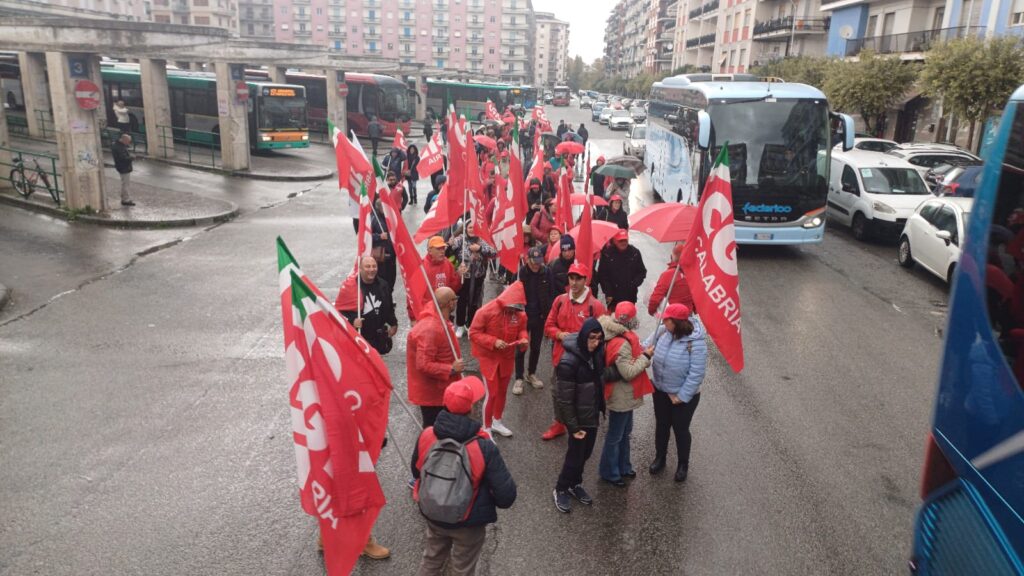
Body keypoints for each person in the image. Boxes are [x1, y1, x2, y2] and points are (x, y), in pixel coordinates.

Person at [412, 376, 517, 576]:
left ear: (444, 404)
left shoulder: (427, 435)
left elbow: (416, 472)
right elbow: (507, 496)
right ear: (470, 409)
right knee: (463, 568)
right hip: (468, 522)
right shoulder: (483, 446)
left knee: (431, 559)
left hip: (434, 513)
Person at [541, 264, 607, 440]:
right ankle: (559, 424)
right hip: (560, 358)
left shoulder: (596, 306)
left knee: (581, 396)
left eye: (578, 278)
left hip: (584, 362)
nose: (574, 282)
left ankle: (580, 426)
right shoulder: (560, 300)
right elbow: (548, 326)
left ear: (586, 280)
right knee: (558, 393)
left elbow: (602, 336)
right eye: (572, 278)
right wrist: (561, 334)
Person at [644, 303, 707, 482]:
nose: (663, 322)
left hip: (684, 396)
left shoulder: (696, 342)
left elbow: (697, 374)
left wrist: (681, 396)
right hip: (660, 390)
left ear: (677, 322)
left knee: (680, 429)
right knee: (662, 425)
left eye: (667, 319)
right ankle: (660, 457)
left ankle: (682, 464)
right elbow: (644, 346)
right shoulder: (663, 331)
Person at [552, 317, 607, 513]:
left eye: (599, 338)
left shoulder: (598, 353)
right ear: (584, 337)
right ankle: (561, 488)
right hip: (578, 418)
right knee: (575, 455)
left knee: (586, 453)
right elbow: (565, 400)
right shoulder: (568, 362)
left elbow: (600, 377)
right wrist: (574, 428)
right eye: (592, 338)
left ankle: (575, 483)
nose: (595, 343)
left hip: (591, 414)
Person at [597, 302, 653, 486]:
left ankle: (623, 466)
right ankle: (610, 472)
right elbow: (628, 373)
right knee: (615, 435)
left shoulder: (614, 334)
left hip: (624, 396)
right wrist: (645, 358)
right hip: (621, 396)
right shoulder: (622, 343)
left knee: (625, 432)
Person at [469, 282, 528, 437]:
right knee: (492, 393)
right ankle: (486, 428)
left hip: (507, 358)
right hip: (489, 358)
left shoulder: (519, 314)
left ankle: (497, 421)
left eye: (517, 308)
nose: (514, 311)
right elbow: (474, 333)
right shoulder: (486, 311)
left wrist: (523, 339)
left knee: (502, 392)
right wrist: (493, 341)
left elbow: (522, 330)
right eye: (512, 307)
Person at [408, 287, 464, 428]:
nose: (456, 303)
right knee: (432, 431)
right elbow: (423, 364)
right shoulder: (431, 329)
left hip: (440, 390)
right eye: (454, 300)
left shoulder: (438, 318)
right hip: (433, 395)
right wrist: (451, 368)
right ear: (450, 304)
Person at [335, 256, 398, 355]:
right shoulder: (350, 287)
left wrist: (394, 323)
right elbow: (339, 312)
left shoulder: (383, 285)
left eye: (374, 266)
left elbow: (388, 306)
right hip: (359, 338)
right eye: (367, 266)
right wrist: (353, 321)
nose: (371, 269)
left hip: (378, 337)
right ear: (360, 268)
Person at [514, 246, 555, 395]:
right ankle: (518, 377)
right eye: (534, 262)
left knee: (536, 347)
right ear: (528, 260)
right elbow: (513, 293)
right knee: (521, 347)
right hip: (524, 316)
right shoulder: (521, 272)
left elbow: (552, 292)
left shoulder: (546, 272)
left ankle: (531, 373)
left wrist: (548, 310)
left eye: (539, 261)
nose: (537, 265)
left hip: (540, 316)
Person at [451, 221, 496, 337]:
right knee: (462, 301)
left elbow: (493, 252)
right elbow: (451, 246)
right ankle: (460, 325)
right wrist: (450, 242)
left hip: (478, 277)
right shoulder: (461, 239)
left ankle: (470, 325)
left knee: (475, 302)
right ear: (465, 228)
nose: (472, 230)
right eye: (470, 227)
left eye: (474, 227)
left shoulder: (481, 240)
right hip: (464, 277)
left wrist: (480, 248)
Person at [597, 229, 647, 308]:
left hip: (630, 297)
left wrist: (634, 284)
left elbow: (642, 272)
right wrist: (608, 292)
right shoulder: (607, 254)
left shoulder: (635, 253)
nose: (623, 242)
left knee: (629, 319)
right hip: (613, 298)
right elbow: (602, 275)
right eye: (620, 240)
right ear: (615, 241)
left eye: (625, 240)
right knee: (612, 320)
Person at [648, 243, 694, 316]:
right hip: (687, 314)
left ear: (672, 257)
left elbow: (655, 298)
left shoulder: (668, 275)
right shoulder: (692, 274)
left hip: (672, 316)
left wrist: (651, 311)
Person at [370, 199, 398, 298]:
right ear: (379, 208)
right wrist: (379, 236)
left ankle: (388, 298)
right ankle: (385, 299)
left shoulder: (390, 217)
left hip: (392, 256)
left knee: (391, 279)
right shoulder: (374, 219)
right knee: (383, 281)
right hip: (382, 258)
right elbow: (365, 236)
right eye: (384, 207)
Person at [111, 132, 135, 207]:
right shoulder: (120, 147)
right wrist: (132, 157)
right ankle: (126, 199)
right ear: (124, 140)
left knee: (124, 183)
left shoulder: (117, 145)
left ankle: (124, 198)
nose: (128, 143)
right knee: (125, 184)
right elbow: (123, 158)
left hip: (121, 167)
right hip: (124, 167)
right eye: (128, 142)